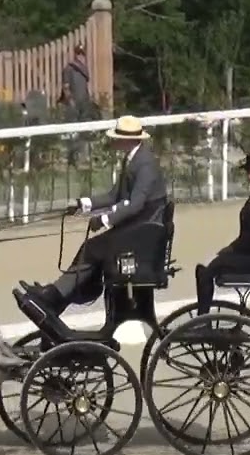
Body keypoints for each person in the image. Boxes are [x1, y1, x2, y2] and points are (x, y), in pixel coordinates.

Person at [15, 114, 168, 334]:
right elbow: (114, 195)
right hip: (137, 228)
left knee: (93, 249)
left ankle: (55, 296)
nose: (113, 142)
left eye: (117, 138)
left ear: (128, 139)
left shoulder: (145, 164)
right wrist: (83, 204)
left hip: (143, 232)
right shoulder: (133, 159)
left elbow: (135, 204)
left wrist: (105, 220)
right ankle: (56, 295)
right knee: (92, 249)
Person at [195, 152, 250, 313]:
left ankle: (202, 319)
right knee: (205, 268)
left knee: (206, 271)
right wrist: (231, 248)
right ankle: (203, 316)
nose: (248, 175)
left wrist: (234, 250)